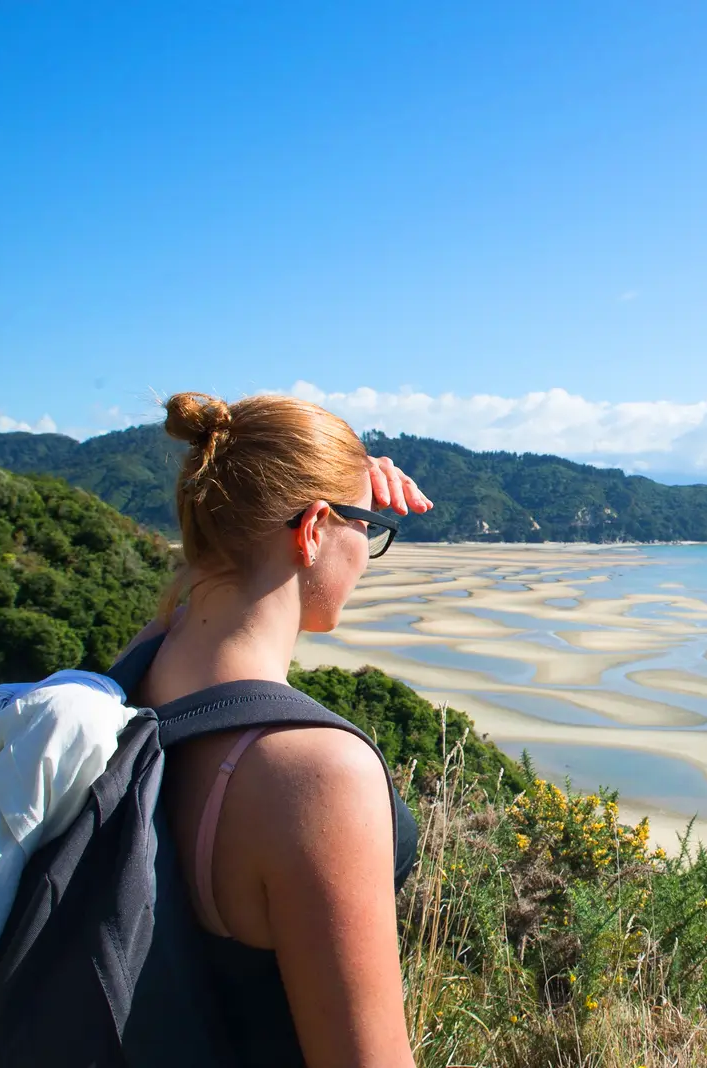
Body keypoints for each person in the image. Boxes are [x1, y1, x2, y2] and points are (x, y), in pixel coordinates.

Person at [119, 391, 434, 1067]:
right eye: (369, 532)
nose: (367, 553)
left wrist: (336, 478)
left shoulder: (139, 672)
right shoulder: (316, 773)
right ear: (314, 529)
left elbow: (206, 581)